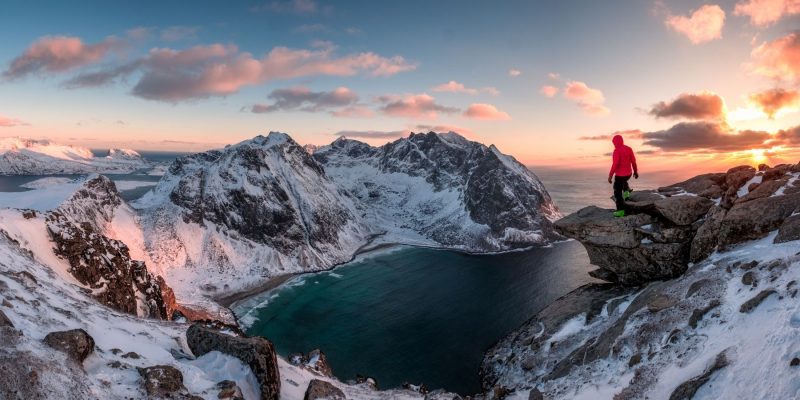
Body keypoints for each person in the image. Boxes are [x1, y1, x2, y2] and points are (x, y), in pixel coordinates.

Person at [607, 134, 638, 217]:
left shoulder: (617, 151)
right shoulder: (629, 149)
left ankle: (620, 211)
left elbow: (615, 164)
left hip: (620, 175)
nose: (614, 144)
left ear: (615, 142)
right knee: (624, 181)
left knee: (617, 192)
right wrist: (635, 171)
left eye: (614, 142)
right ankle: (627, 192)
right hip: (628, 174)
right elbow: (633, 162)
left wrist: (610, 175)